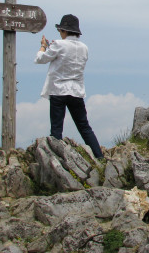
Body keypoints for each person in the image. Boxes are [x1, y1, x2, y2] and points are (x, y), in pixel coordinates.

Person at [34, 14, 104, 159]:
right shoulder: (84, 47)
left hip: (58, 90)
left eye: (60, 31)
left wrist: (43, 46)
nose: (60, 33)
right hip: (77, 92)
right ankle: (99, 157)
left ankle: (56, 159)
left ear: (64, 30)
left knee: (56, 129)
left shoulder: (58, 44)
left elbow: (40, 59)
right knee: (84, 127)